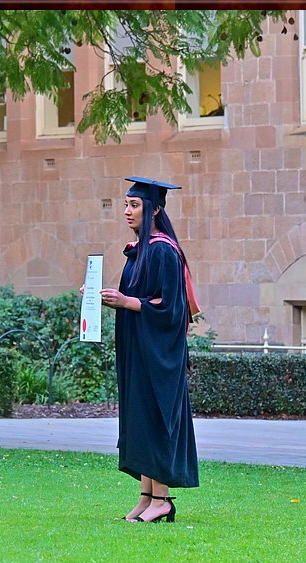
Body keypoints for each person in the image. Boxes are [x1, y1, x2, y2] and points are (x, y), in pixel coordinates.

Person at [98, 176, 200, 523]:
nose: (127, 211)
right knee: (141, 419)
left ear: (154, 209)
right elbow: (139, 299)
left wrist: (127, 301)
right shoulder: (140, 251)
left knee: (155, 419)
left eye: (134, 205)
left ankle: (163, 500)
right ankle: (146, 496)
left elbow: (170, 309)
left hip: (160, 356)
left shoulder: (163, 251)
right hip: (140, 350)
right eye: (126, 204)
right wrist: (109, 298)